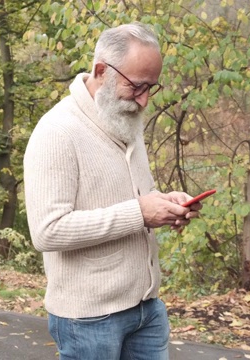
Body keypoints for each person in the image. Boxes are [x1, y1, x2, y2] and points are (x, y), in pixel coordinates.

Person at [23, 22, 202, 360]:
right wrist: (141, 212)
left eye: (151, 87)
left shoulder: (124, 118)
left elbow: (137, 196)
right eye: (136, 86)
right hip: (89, 320)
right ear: (102, 70)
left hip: (147, 310)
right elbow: (47, 231)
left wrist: (166, 204)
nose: (144, 100)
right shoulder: (56, 131)